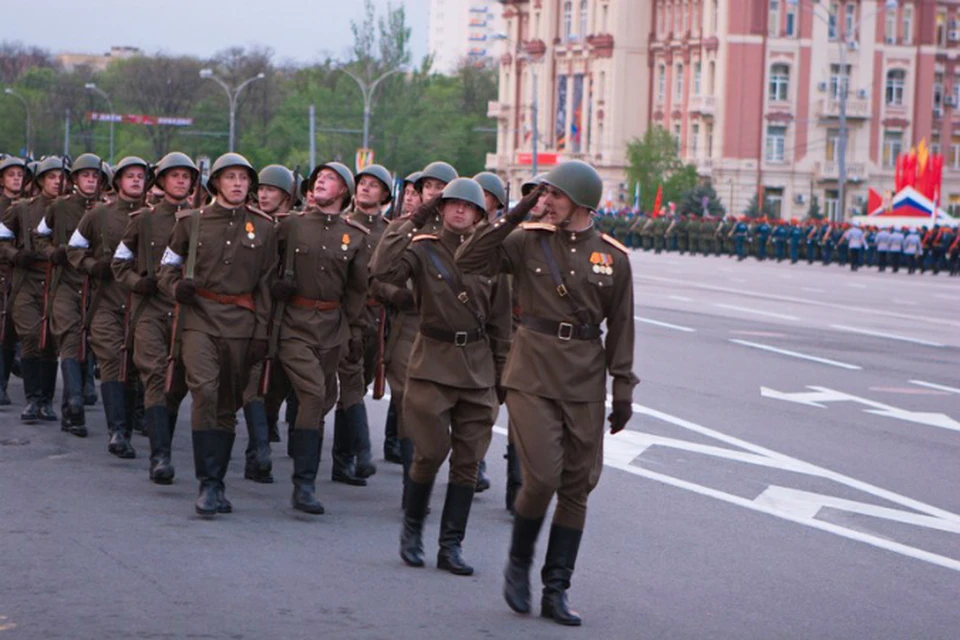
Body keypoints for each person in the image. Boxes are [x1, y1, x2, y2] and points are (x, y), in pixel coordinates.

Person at [455, 160, 638, 626]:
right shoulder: (524, 239)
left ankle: (557, 588)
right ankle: (519, 561)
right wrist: (515, 214)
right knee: (542, 478)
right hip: (532, 375)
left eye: (554, 195)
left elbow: (621, 326)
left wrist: (623, 390)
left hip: (584, 380)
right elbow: (470, 260)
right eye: (542, 195)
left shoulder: (612, 257)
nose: (546, 201)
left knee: (578, 486)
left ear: (581, 201)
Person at [372, 178, 511, 577]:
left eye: (468, 207)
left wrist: (501, 377)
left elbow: (502, 324)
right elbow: (383, 269)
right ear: (441, 209)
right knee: (429, 453)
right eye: (451, 205)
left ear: (481, 215)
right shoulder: (423, 248)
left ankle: (451, 545)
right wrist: (409, 222)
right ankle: (412, 531)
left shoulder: (494, 259)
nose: (460, 211)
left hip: (478, 370)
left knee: (468, 462)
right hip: (432, 364)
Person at [158, 152, 277, 516]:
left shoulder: (266, 228)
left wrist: (262, 334)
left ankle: (218, 481)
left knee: (227, 403)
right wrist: (175, 289)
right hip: (200, 319)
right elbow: (166, 269)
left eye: (244, 178)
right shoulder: (191, 223)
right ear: (216, 184)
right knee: (205, 393)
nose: (238, 184)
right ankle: (207, 484)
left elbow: (266, 287)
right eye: (231, 177)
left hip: (241, 325)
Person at [270, 161, 370, 513]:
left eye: (330, 179)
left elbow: (357, 291)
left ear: (344, 190)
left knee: (323, 400)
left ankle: (298, 464)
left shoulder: (356, 235)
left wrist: (355, 331)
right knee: (312, 394)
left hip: (332, 327)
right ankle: (304, 485)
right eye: (318, 179)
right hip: (294, 323)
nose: (321, 183)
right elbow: (264, 268)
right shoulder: (290, 226)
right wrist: (274, 288)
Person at [113, 152, 198, 483]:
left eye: (186, 176)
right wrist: (138, 282)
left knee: (176, 384)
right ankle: (160, 456)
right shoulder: (142, 220)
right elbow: (120, 263)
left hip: (185, 313)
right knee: (155, 376)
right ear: (161, 182)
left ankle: (162, 439)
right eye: (174, 175)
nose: (180, 181)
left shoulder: (199, 220)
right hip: (149, 310)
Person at [68, 156, 148, 459]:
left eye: (141, 176)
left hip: (142, 304)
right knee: (113, 361)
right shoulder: (98, 215)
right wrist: (91, 265)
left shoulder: (152, 217)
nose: (136, 181)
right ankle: (117, 431)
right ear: (117, 182)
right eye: (130, 176)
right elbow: (74, 248)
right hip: (106, 301)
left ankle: (130, 424)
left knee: (137, 367)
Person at [333, 163, 395, 487]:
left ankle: (341, 460)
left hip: (377, 318)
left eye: (374, 184)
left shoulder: (389, 231)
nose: (366, 188)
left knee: (360, 384)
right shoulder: (342, 226)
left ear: (385, 194)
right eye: (362, 183)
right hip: (345, 316)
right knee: (352, 379)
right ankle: (361, 452)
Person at [35, 153, 106, 437]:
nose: (90, 181)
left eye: (95, 176)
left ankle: (77, 399)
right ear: (74, 179)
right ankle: (74, 404)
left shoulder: (106, 211)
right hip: (66, 283)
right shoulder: (59, 207)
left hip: (98, 287)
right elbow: (40, 237)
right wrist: (53, 253)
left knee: (90, 344)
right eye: (85, 176)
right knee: (69, 338)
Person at [0, 156, 68, 423]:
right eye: (51, 177)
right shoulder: (22, 209)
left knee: (50, 342)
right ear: (40, 181)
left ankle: (46, 401)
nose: (57, 182)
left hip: (58, 281)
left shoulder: (74, 211)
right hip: (27, 280)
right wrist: (15, 255)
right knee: (30, 336)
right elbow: (2, 239)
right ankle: (32, 399)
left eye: (61, 177)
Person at [0, 156, 27, 406]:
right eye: (11, 174)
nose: (16, 178)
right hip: (2, 270)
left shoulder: (28, 206)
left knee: (9, 331)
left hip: (19, 274)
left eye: (20, 174)